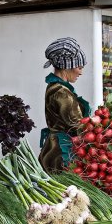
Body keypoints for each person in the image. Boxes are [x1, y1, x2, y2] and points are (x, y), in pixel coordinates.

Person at [39, 37, 91, 174]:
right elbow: (78, 125)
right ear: (67, 66)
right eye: (79, 67)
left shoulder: (56, 87)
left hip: (55, 148)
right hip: (61, 153)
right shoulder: (61, 92)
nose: (81, 72)